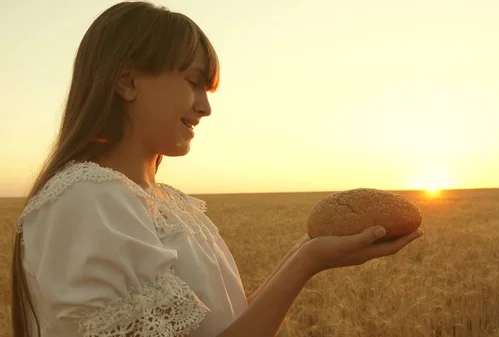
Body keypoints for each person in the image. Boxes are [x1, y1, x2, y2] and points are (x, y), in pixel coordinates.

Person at [10, 2, 424, 337]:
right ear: (127, 83)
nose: (205, 108)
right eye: (192, 82)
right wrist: (307, 263)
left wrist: (304, 253)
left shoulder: (165, 202)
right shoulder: (87, 201)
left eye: (206, 90)